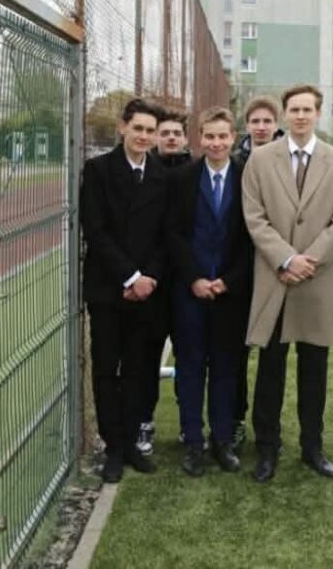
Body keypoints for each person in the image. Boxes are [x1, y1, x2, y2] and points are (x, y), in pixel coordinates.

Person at [242, 84, 333, 482]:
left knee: (314, 371)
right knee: (270, 370)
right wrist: (286, 258)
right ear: (285, 114)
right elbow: (254, 217)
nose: (301, 115)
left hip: (316, 280)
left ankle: (313, 447)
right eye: (295, 109)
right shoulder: (260, 159)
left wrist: (310, 261)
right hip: (276, 277)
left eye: (308, 109)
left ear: (319, 114)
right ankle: (267, 449)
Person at [80, 98, 169, 483]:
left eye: (150, 131)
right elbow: (96, 230)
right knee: (106, 368)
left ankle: (131, 441)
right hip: (108, 289)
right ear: (123, 128)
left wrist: (148, 278)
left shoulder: (163, 175)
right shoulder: (98, 171)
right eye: (139, 129)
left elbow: (167, 235)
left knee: (138, 368)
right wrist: (130, 277)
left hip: (147, 291)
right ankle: (113, 446)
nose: (144, 136)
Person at [167, 107, 251, 477]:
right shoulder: (182, 179)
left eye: (223, 136)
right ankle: (193, 442)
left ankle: (221, 440)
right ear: (200, 138)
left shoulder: (248, 178)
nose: (216, 143)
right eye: (210, 136)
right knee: (189, 368)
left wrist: (228, 279)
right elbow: (173, 235)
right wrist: (194, 278)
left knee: (225, 368)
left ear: (233, 137)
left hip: (230, 293)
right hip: (190, 292)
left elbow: (253, 238)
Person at [229, 95, 284, 450]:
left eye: (267, 121)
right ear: (246, 126)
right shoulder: (234, 163)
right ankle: (234, 421)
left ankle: (268, 430)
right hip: (238, 270)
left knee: (273, 357)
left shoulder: (289, 162)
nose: (261, 127)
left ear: (276, 124)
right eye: (255, 121)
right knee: (235, 354)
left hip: (275, 269)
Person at [137, 109, 193, 457]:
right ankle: (144, 421)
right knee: (146, 356)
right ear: (157, 137)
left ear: (186, 139)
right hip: (154, 283)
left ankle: (190, 426)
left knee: (189, 355)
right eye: (165, 132)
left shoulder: (196, 173)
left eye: (176, 133)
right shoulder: (146, 174)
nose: (171, 137)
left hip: (187, 282)